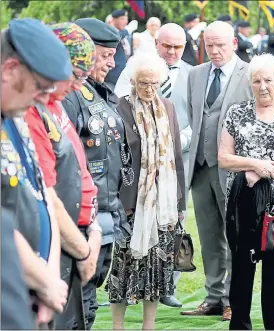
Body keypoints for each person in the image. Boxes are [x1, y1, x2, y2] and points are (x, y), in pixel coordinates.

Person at [23, 22, 103, 330]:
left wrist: (93, 230)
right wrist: (83, 250)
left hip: (75, 240)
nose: (79, 85)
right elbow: (46, 196)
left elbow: (81, 174)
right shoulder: (32, 113)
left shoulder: (56, 106)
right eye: (77, 75)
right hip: (56, 249)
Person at [218, 53, 274, 330]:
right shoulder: (236, 112)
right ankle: (240, 324)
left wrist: (267, 170)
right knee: (242, 265)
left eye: (268, 80)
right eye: (257, 81)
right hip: (243, 199)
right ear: (250, 83)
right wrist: (254, 164)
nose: (263, 86)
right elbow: (224, 158)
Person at [105, 51, 186, 330]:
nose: (149, 89)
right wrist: (121, 202)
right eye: (143, 83)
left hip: (163, 204)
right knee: (123, 265)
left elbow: (176, 155)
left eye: (154, 83)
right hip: (130, 202)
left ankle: (148, 325)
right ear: (132, 81)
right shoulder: (120, 108)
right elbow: (117, 157)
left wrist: (180, 202)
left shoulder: (169, 107)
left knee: (157, 265)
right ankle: (118, 325)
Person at [115, 22, 193, 308]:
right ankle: (128, 291)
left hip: (173, 168)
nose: (172, 52)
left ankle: (167, 288)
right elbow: (121, 114)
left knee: (170, 232)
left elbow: (196, 116)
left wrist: (181, 138)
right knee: (131, 240)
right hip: (137, 175)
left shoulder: (190, 74)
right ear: (156, 43)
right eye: (167, 46)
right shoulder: (132, 73)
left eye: (178, 47)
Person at [0, 18, 71, 329]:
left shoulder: (15, 118)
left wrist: (49, 279)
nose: (45, 99)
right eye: (40, 87)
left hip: (29, 297)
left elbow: (43, 197)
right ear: (9, 69)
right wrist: (45, 281)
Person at [61, 17, 130, 329]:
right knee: (79, 305)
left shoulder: (101, 92)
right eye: (105, 56)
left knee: (89, 299)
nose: (112, 63)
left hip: (104, 213)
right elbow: (66, 163)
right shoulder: (69, 95)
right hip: (81, 217)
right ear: (83, 56)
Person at [181, 20, 253, 321]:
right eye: (209, 45)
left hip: (233, 170)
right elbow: (194, 117)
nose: (214, 50)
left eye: (220, 44)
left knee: (234, 235)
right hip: (199, 168)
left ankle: (232, 300)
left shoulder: (250, 74)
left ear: (234, 43)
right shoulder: (196, 74)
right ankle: (212, 296)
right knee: (209, 236)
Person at [104, 9, 138, 90]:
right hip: (112, 77)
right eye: (122, 19)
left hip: (126, 77)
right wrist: (127, 30)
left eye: (126, 19)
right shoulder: (110, 32)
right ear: (113, 20)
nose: (125, 22)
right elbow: (115, 37)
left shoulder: (126, 35)